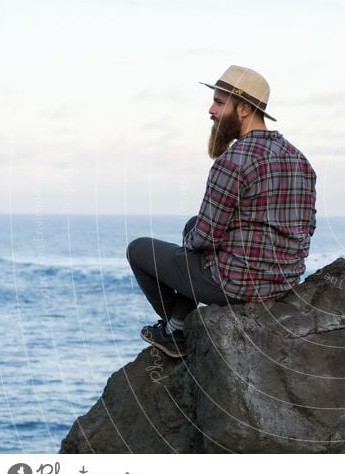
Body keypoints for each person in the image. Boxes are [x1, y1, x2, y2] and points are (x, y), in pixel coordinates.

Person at [126, 65, 317, 358]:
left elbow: (206, 238)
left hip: (237, 287)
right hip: (284, 282)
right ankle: (177, 323)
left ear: (242, 109)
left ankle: (175, 331)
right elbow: (308, 229)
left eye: (218, 102)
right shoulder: (299, 159)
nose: (211, 111)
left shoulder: (233, 161)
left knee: (139, 250)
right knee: (192, 226)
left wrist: (189, 251)